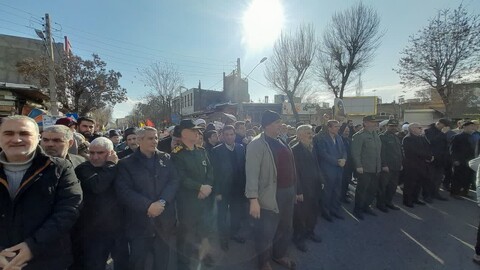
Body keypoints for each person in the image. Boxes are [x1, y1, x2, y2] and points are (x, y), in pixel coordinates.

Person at [0, 115, 82, 269]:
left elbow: (69, 210)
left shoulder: (59, 168)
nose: (16, 139)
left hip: (47, 259)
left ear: (37, 138)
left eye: (24, 134)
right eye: (8, 133)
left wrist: (32, 246)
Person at [116, 127, 179, 270]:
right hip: (139, 221)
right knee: (138, 260)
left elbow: (174, 181)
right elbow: (124, 191)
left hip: (163, 220)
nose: (155, 141)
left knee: (162, 260)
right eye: (150, 138)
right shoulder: (126, 163)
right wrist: (148, 206)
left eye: (156, 138)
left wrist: (162, 202)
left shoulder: (166, 158)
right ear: (139, 140)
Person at [245, 110, 296, 270]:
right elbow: (251, 173)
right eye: (277, 122)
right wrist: (253, 199)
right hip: (270, 194)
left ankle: (279, 255)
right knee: (266, 232)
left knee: (285, 227)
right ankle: (264, 262)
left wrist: (295, 190)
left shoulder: (281, 140)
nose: (280, 125)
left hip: (288, 192)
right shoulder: (256, 144)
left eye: (280, 122)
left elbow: (291, 167)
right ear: (267, 125)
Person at [71, 137, 128, 270]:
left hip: (119, 227)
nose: (95, 157)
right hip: (94, 230)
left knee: (123, 263)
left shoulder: (121, 167)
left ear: (111, 153)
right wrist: (110, 166)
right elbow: (97, 186)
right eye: (91, 153)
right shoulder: (83, 168)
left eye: (100, 153)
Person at [171, 120, 215, 269]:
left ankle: (204, 255)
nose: (197, 132)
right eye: (193, 130)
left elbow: (210, 171)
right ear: (184, 134)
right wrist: (200, 187)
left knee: (205, 230)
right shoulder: (177, 154)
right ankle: (183, 264)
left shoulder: (201, 151)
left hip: (205, 200)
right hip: (188, 202)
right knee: (186, 234)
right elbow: (181, 178)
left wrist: (208, 186)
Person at [210, 125, 247, 251]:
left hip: (238, 189)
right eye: (227, 135)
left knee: (236, 213)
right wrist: (217, 191)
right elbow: (214, 173)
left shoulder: (241, 148)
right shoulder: (216, 151)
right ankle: (223, 238)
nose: (230, 137)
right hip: (223, 190)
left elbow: (243, 169)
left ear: (235, 135)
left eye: (232, 134)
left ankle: (234, 233)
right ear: (222, 136)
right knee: (222, 215)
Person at [291, 125, 324, 252]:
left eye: (311, 132)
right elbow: (294, 173)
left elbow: (317, 166)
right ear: (299, 135)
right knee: (300, 215)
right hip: (303, 189)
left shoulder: (312, 147)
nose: (311, 135)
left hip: (314, 187)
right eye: (307, 133)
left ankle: (310, 232)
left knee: (313, 212)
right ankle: (298, 238)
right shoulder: (294, 150)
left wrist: (321, 180)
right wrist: (298, 191)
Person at [315, 120, 346, 221]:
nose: (338, 128)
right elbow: (323, 154)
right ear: (329, 128)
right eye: (336, 126)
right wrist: (337, 162)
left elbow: (344, 150)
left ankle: (335, 210)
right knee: (327, 192)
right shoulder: (321, 138)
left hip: (339, 169)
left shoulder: (339, 137)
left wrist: (344, 159)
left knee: (337, 191)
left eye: (338, 126)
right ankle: (326, 212)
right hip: (327, 170)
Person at [352, 115, 382, 220]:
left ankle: (366, 206)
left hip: (376, 168)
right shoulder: (359, 135)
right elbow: (356, 153)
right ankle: (358, 209)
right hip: (365, 168)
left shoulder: (375, 134)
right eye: (372, 122)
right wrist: (358, 166)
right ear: (365, 123)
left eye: (375, 122)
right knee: (362, 190)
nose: (375, 124)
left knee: (372, 190)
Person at [402, 123, 434, 207]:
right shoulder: (408, 139)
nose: (421, 129)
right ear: (412, 129)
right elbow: (414, 151)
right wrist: (428, 156)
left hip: (422, 164)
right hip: (412, 165)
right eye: (419, 128)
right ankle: (407, 201)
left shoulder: (422, 138)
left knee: (418, 184)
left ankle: (415, 198)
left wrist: (430, 156)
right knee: (410, 184)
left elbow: (428, 148)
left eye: (421, 127)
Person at [377, 119, 403, 211]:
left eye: (395, 126)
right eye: (391, 126)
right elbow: (381, 152)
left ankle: (389, 202)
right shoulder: (382, 137)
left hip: (396, 166)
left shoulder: (396, 137)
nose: (393, 128)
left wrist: (401, 164)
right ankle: (380, 204)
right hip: (387, 166)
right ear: (386, 126)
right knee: (383, 186)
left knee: (393, 186)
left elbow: (399, 152)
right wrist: (384, 165)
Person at [424, 119, 450, 201]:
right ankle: (427, 195)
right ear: (438, 124)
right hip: (432, 159)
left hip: (441, 159)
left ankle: (435, 193)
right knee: (429, 178)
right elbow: (430, 141)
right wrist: (442, 133)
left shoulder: (441, 133)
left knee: (438, 178)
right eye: (443, 125)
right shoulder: (428, 131)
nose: (444, 127)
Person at [451, 121, 476, 198]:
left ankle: (465, 192)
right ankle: (455, 193)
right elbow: (452, 149)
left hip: (470, 160)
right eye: (470, 126)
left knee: (468, 177)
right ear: (464, 127)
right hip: (460, 160)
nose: (472, 127)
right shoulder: (457, 137)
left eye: (473, 126)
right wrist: (455, 160)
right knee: (458, 177)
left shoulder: (473, 137)